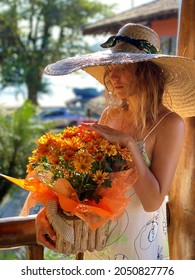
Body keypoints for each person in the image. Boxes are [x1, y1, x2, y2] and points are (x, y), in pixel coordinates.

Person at [22, 23, 195, 260]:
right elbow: (87, 184)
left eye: (123, 67)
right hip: (97, 243)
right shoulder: (110, 116)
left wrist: (129, 144)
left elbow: (153, 201)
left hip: (137, 247)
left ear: (147, 71)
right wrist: (51, 212)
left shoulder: (170, 124)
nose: (112, 76)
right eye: (111, 66)